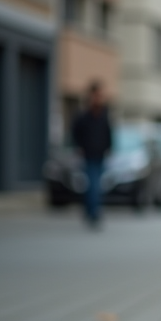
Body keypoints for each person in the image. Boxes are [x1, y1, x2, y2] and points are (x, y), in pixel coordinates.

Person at [71, 80, 113, 228]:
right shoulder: (84, 115)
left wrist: (109, 148)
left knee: (95, 185)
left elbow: (109, 133)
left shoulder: (104, 114)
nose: (99, 98)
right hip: (88, 155)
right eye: (97, 95)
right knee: (93, 184)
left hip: (101, 154)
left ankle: (90, 210)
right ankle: (94, 212)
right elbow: (75, 133)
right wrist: (79, 147)